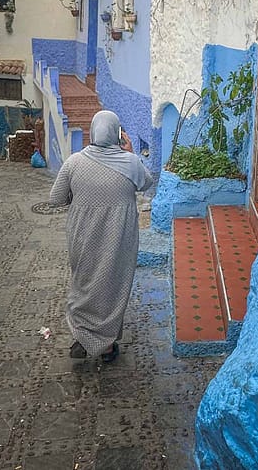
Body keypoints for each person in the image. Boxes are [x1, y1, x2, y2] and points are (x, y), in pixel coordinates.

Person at [49, 110, 153, 363]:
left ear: (93, 131)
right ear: (118, 133)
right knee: (113, 283)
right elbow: (147, 183)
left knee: (84, 281)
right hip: (119, 237)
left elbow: (55, 199)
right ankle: (105, 345)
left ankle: (83, 336)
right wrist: (129, 152)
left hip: (82, 235)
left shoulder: (74, 162)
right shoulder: (130, 163)